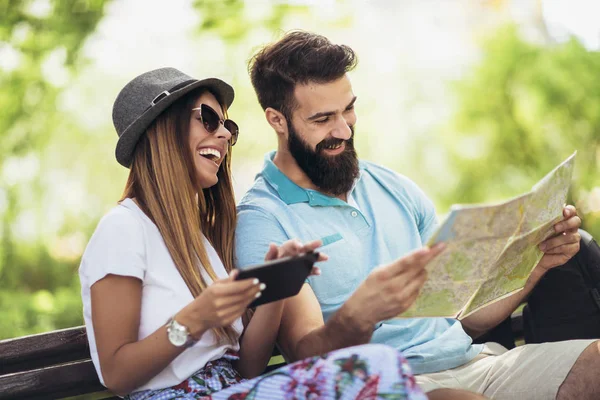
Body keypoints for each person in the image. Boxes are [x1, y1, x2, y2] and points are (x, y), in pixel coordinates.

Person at [234, 31, 600, 400]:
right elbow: (303, 355)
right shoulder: (265, 220)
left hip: (478, 363)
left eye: (348, 109)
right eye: (323, 118)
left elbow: (468, 317)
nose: (344, 129)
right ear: (277, 120)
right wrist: (358, 316)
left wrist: (537, 262)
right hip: (391, 385)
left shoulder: (391, 185)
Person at [78, 67, 434, 400]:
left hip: (236, 389)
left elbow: (248, 366)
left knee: (378, 368)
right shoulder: (123, 228)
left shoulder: (200, 241)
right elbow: (116, 373)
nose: (223, 134)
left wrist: (279, 286)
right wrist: (194, 319)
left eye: (227, 125)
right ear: (161, 129)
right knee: (375, 367)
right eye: (208, 119)